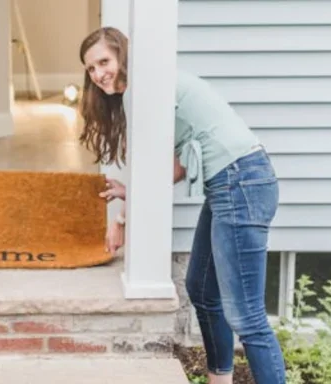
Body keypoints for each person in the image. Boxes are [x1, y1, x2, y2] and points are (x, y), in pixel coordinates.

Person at [78, 27, 286, 384]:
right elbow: (174, 167)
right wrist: (131, 194)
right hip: (234, 183)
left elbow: (158, 166)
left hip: (240, 182)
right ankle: (219, 379)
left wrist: (121, 222)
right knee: (203, 289)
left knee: (247, 317)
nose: (98, 75)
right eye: (91, 69)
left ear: (123, 56)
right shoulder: (149, 87)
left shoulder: (143, 90)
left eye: (104, 62)